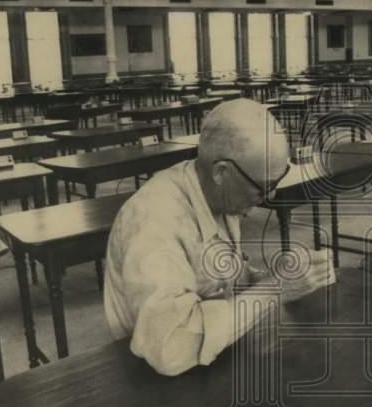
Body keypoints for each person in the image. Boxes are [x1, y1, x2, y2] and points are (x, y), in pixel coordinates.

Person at [103, 98, 332, 376]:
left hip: (209, 357)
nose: (270, 196)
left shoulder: (217, 193)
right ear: (221, 172)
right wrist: (276, 287)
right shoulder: (155, 220)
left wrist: (267, 277)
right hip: (151, 375)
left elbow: (217, 280)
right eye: (262, 187)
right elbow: (170, 350)